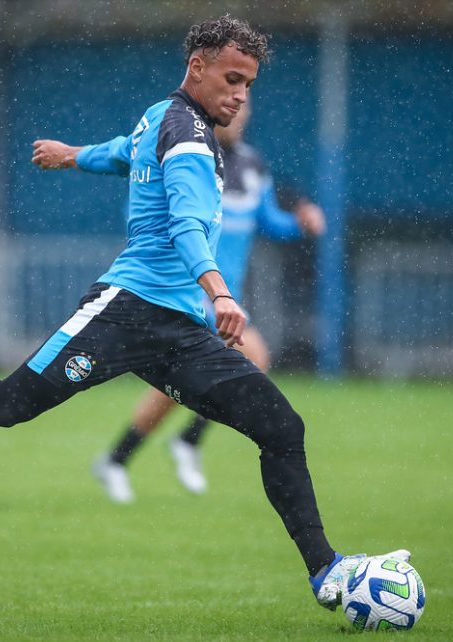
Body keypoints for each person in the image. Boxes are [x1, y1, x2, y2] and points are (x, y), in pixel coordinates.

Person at [0, 16, 407, 611]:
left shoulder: (163, 117)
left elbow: (124, 151)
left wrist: (71, 154)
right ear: (198, 68)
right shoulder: (190, 138)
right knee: (9, 406)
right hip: (124, 313)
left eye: (248, 84)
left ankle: (327, 571)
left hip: (178, 331)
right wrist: (220, 291)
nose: (241, 95)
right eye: (232, 79)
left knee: (280, 427)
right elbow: (186, 225)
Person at [93, 100, 326, 503]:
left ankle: (118, 458)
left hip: (222, 299)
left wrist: (300, 224)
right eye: (233, 102)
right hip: (180, 291)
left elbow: (268, 222)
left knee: (176, 388)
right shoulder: (187, 155)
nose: (239, 112)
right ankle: (186, 442)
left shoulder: (253, 166)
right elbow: (143, 210)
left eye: (247, 105)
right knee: (252, 359)